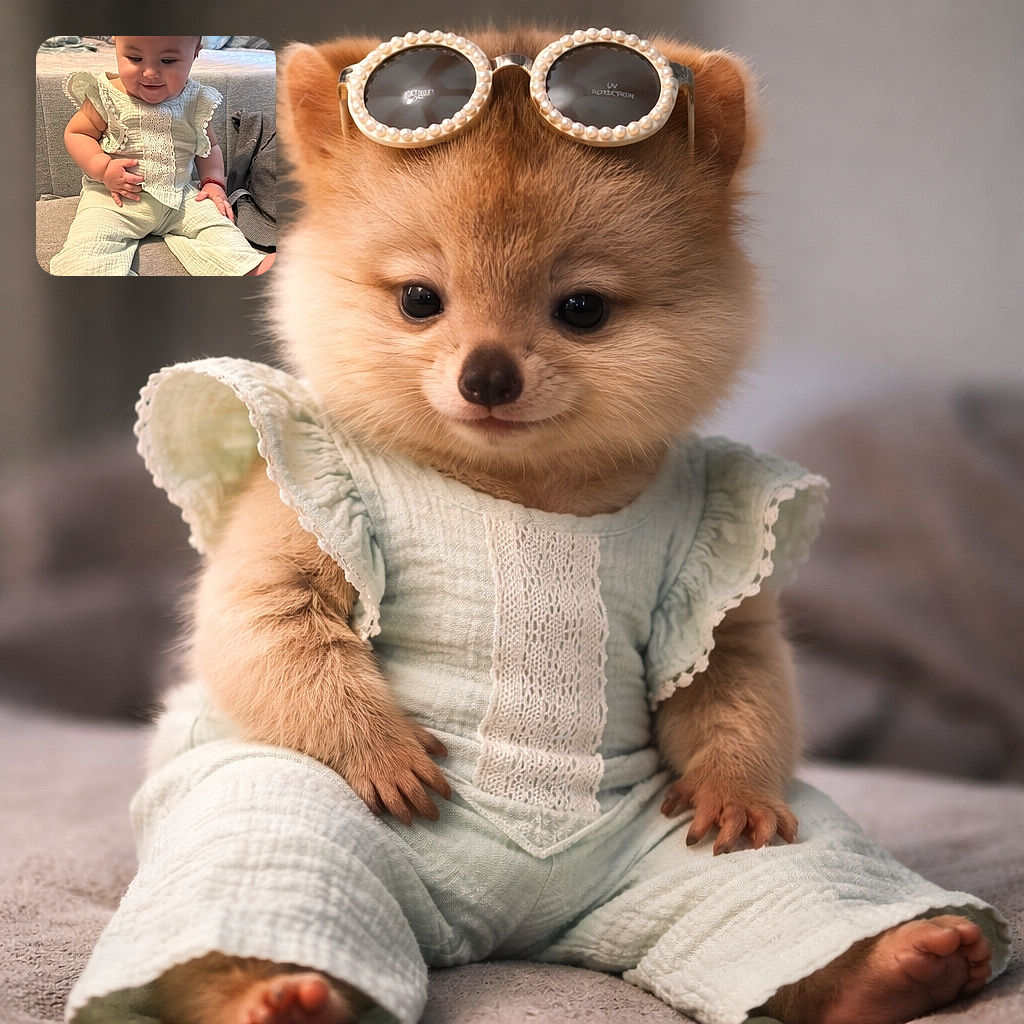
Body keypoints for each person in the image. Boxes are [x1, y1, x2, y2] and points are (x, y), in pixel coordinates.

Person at [49, 36, 275, 276]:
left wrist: (214, 183)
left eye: (167, 60)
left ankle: (248, 267)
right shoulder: (105, 95)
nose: (149, 73)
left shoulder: (195, 100)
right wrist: (102, 168)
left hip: (181, 197)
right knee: (91, 241)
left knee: (218, 226)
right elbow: (77, 133)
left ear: (195, 53)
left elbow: (209, 146)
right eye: (135, 58)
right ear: (116, 45)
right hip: (116, 199)